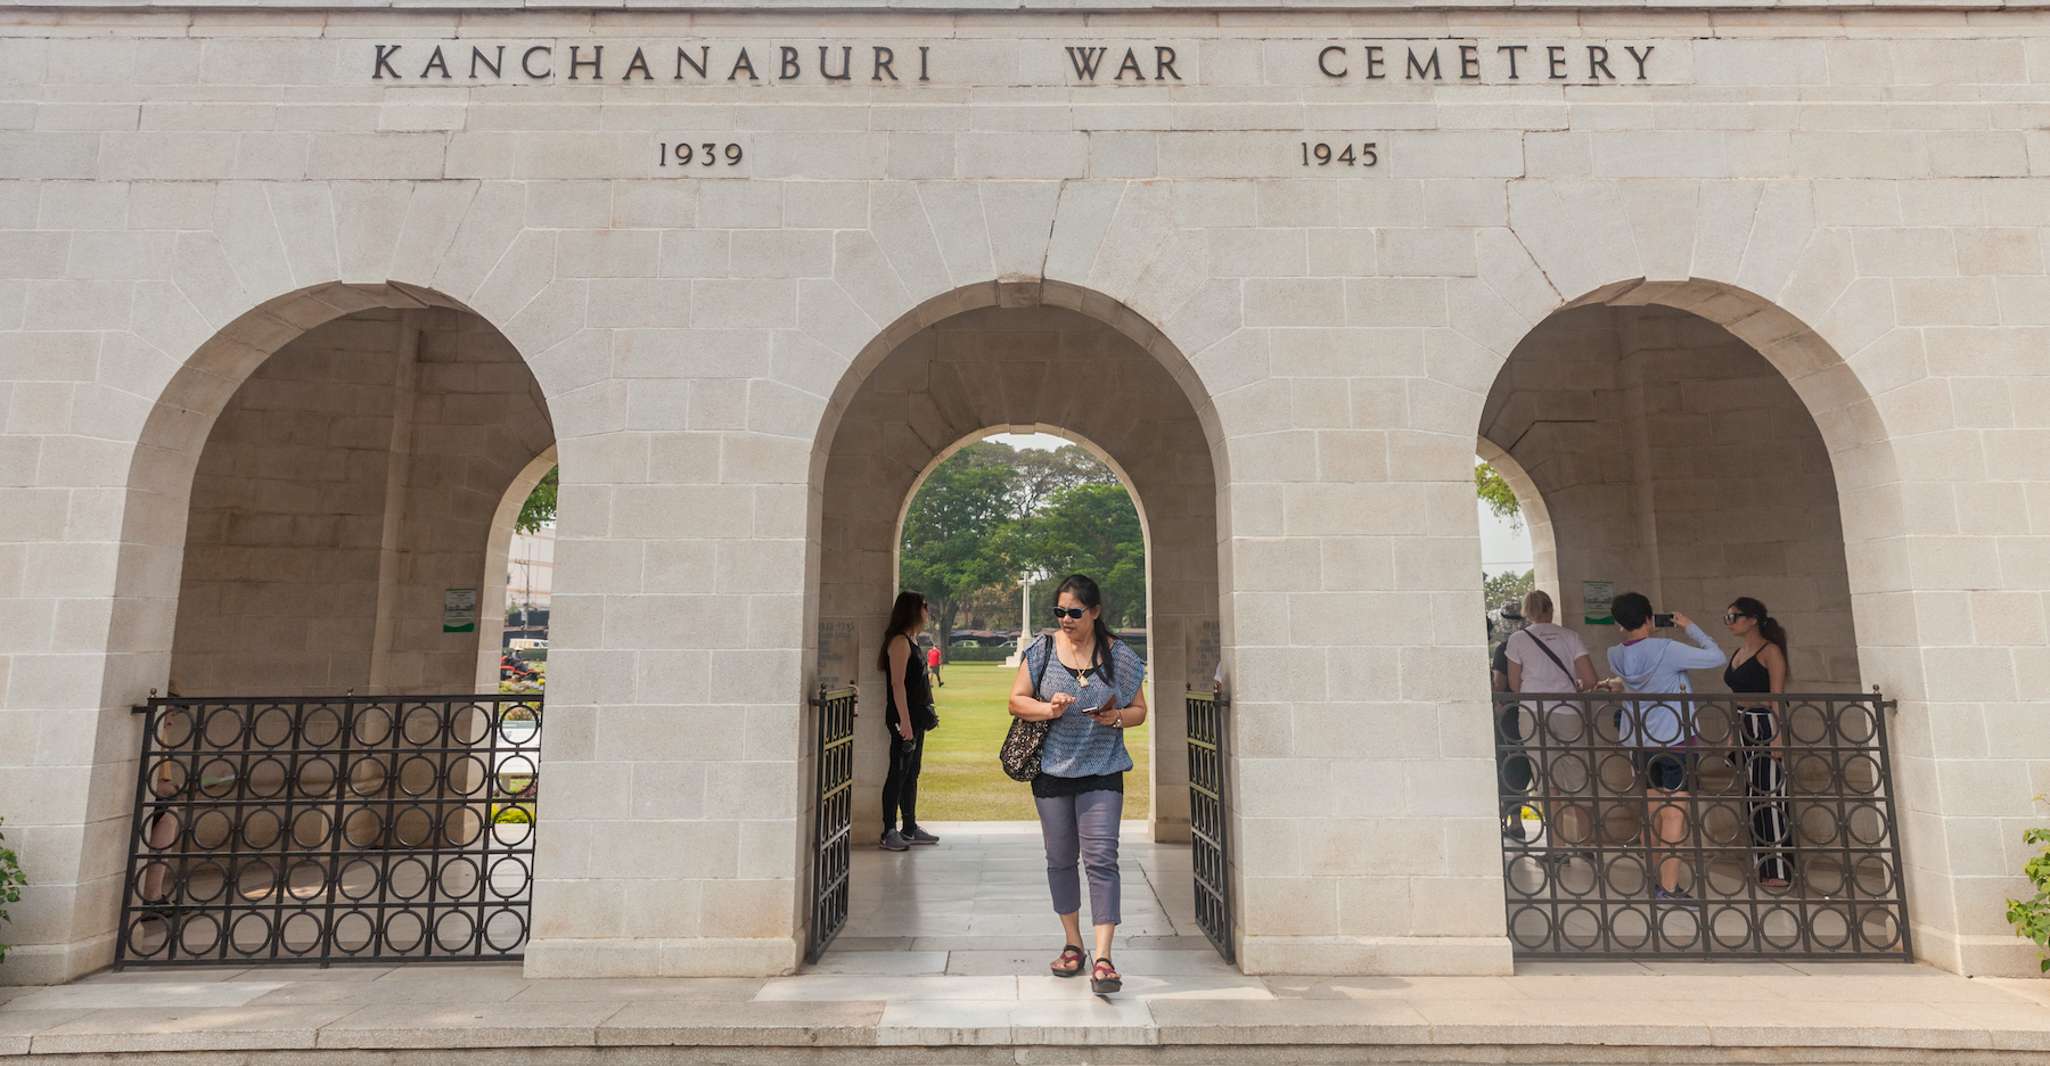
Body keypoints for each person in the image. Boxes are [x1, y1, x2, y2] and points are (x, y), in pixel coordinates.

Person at [1008, 574, 1147, 995]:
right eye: (1060, 612)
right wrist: (1048, 708)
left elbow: (1140, 710)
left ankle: (1104, 958)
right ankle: (1073, 943)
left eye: (1074, 612)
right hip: (1053, 771)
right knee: (1060, 858)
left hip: (1102, 768)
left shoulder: (1118, 655)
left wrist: (1117, 716)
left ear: (1096, 612)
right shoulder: (1043, 650)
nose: (1066, 619)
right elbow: (1016, 700)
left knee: (1102, 857)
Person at [1600, 592, 1725, 902]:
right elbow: (1716, 656)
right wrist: (1689, 626)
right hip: (1674, 740)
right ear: (1648, 618)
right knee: (1674, 816)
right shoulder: (1667, 649)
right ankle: (1668, 888)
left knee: (1652, 813)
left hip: (1639, 741)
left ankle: (1658, 880)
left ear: (1619, 624)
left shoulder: (1615, 654)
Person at [1503, 590, 1598, 859]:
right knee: (1578, 777)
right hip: (1568, 710)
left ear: (1526, 611)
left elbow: (1513, 684)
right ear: (1551, 608)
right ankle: (1587, 841)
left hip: (1533, 712)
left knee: (1546, 779)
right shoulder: (1570, 636)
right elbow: (1590, 679)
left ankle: (1556, 846)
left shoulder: (1518, 639)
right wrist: (1574, 686)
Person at [1725, 596, 1794, 889]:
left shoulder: (1770, 651)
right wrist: (1731, 734)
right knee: (1752, 797)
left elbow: (1776, 696)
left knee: (1771, 795)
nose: (1730, 622)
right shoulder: (1739, 651)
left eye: (1735, 616)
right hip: (1743, 725)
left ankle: (1779, 868)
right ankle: (1761, 864)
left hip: (1764, 723)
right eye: (1727, 618)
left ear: (1752, 619)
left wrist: (1778, 736)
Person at [877, 591, 940, 851]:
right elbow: (897, 684)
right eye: (925, 606)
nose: (927, 611)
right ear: (914, 610)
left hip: (916, 716)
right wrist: (904, 721)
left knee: (912, 772)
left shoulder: (911, 640)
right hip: (904, 717)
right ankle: (888, 830)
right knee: (898, 773)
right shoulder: (899, 642)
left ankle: (910, 827)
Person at [1489, 599, 1535, 842]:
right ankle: (1515, 821)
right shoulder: (1533, 647)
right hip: (1535, 713)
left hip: (1509, 716)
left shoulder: (1504, 648)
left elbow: (1499, 684)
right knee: (1521, 768)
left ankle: (1507, 818)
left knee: (1506, 766)